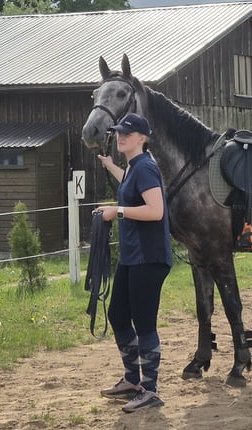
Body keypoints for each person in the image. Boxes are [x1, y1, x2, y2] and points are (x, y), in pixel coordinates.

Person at [94, 113, 172, 413]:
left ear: (143, 137)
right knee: (117, 314)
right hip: (133, 257)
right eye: (119, 133)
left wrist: (118, 211)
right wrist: (111, 166)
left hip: (148, 257)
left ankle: (150, 390)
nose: (121, 137)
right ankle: (132, 379)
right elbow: (129, 185)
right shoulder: (135, 167)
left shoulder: (147, 168)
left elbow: (155, 211)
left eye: (127, 133)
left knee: (144, 322)